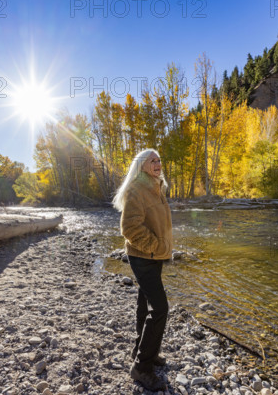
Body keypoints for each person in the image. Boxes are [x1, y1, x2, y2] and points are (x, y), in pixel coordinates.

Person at [112, 148, 172, 391]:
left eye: (159, 160)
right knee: (160, 308)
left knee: (145, 302)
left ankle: (143, 349)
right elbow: (129, 228)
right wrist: (156, 246)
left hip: (153, 255)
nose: (157, 163)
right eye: (152, 161)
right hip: (143, 255)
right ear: (142, 166)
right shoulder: (138, 188)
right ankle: (142, 367)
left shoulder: (157, 185)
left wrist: (161, 249)